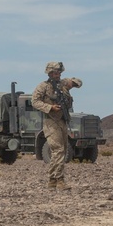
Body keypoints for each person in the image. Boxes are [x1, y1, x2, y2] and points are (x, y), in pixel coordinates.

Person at [33, 62, 74, 190]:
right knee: (58, 150)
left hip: (62, 120)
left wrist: (73, 83)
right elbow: (34, 101)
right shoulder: (43, 86)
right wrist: (50, 107)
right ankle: (59, 180)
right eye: (56, 72)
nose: (58, 75)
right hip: (50, 121)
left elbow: (78, 82)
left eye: (60, 72)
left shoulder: (62, 86)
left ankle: (52, 180)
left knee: (63, 150)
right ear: (50, 73)